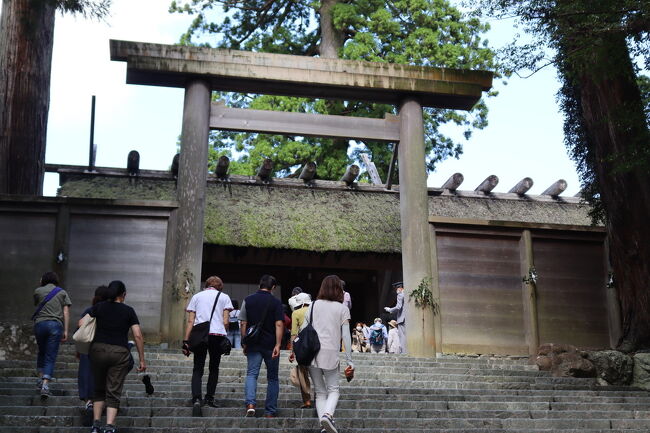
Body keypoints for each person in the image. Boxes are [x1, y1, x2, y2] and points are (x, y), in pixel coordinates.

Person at [89, 280, 146, 433]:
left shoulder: (99, 307)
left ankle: (95, 425)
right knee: (113, 390)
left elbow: (82, 323)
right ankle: (109, 426)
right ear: (124, 295)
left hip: (98, 350)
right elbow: (138, 335)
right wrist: (141, 359)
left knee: (98, 389)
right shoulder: (128, 311)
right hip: (119, 353)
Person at [303, 275, 353, 433]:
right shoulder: (342, 309)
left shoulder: (313, 305)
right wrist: (349, 359)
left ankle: (323, 426)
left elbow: (303, 329)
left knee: (320, 392)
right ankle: (327, 415)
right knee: (334, 390)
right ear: (339, 289)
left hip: (312, 353)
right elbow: (346, 336)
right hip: (331, 352)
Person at [182, 276, 233, 416]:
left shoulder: (197, 297)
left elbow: (190, 321)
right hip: (217, 336)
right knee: (214, 368)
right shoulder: (224, 297)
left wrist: (186, 341)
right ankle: (209, 398)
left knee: (198, 367)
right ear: (220, 286)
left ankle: (197, 399)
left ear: (207, 284)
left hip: (200, 335)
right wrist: (224, 331)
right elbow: (226, 321)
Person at [239, 274, 284, 418]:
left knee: (252, 374)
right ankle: (270, 411)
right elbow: (279, 324)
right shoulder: (276, 303)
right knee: (272, 378)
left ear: (259, 285)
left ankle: (250, 404)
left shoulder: (248, 300)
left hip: (253, 344)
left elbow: (243, 323)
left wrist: (244, 341)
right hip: (270, 344)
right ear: (273, 287)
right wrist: (278, 344)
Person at [32, 271, 72, 399]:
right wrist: (66, 330)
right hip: (55, 325)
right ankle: (45, 385)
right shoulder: (62, 292)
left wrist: (41, 284)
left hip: (40, 325)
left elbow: (36, 303)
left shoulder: (38, 291)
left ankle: (39, 378)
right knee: (50, 355)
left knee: (42, 352)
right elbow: (66, 312)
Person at [78, 285, 109, 414]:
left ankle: (89, 401)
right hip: (105, 346)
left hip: (88, 346)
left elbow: (80, 326)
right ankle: (102, 402)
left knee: (87, 372)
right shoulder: (109, 311)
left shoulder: (89, 310)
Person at [288, 292, 312, 408]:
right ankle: (320, 397)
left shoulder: (296, 313)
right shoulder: (315, 311)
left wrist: (292, 351)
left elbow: (293, 333)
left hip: (302, 346)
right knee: (316, 372)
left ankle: (307, 400)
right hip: (317, 345)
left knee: (302, 372)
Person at [384, 281, 406, 354]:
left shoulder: (400, 295)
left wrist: (390, 309)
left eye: (396, 289)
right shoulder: (407, 293)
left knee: (402, 336)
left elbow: (398, 307)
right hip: (407, 318)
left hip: (402, 318)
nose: (396, 290)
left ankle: (404, 352)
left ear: (399, 288)